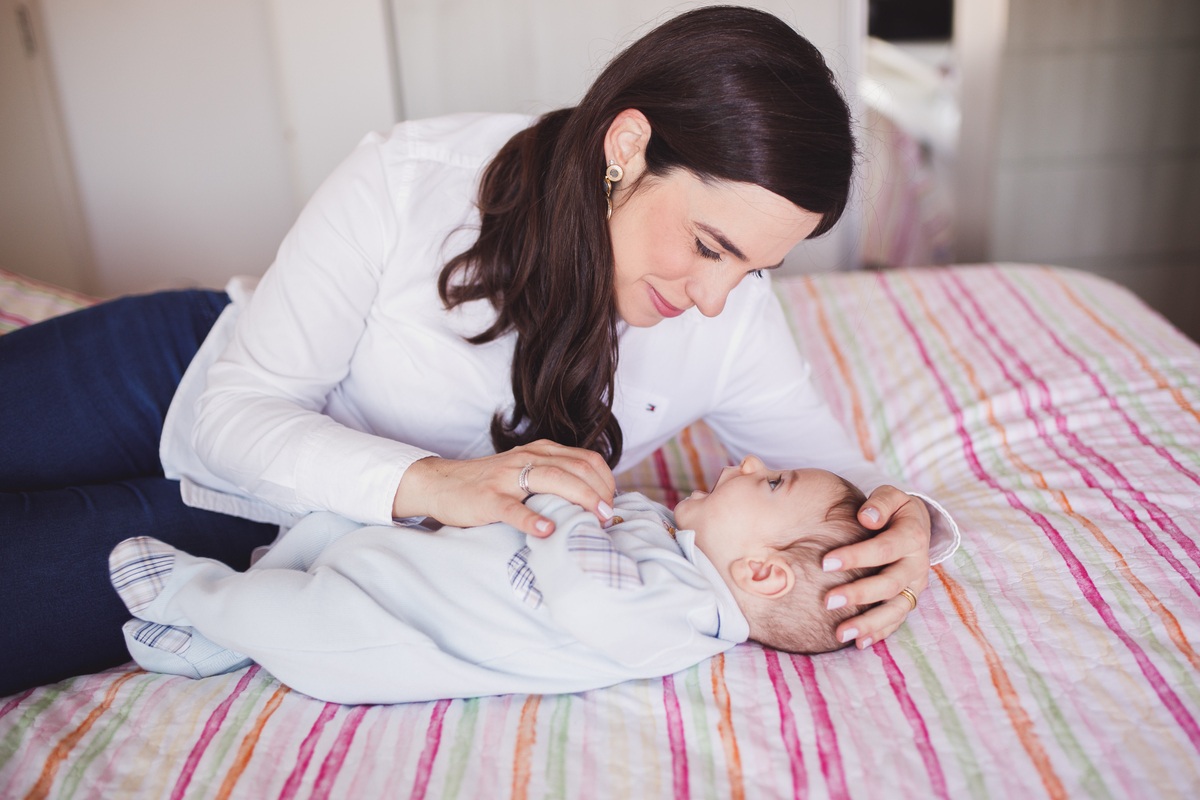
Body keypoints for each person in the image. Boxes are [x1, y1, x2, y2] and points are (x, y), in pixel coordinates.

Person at [0, 6, 958, 697]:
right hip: (184, 370)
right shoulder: (413, 179)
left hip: (278, 535)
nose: (714, 299)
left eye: (756, 270)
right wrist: (431, 483)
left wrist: (907, 521)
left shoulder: (731, 316)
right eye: (710, 247)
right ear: (627, 146)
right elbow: (239, 411)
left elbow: (835, 474)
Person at [109, 458, 883, 704]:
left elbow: (587, 589)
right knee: (328, 526)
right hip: (400, 563)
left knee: (294, 618)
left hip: (388, 630)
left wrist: (559, 498)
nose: (747, 464)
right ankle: (218, 640)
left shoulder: (683, 620)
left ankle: (194, 596)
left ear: (760, 572)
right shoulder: (670, 535)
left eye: (772, 484)